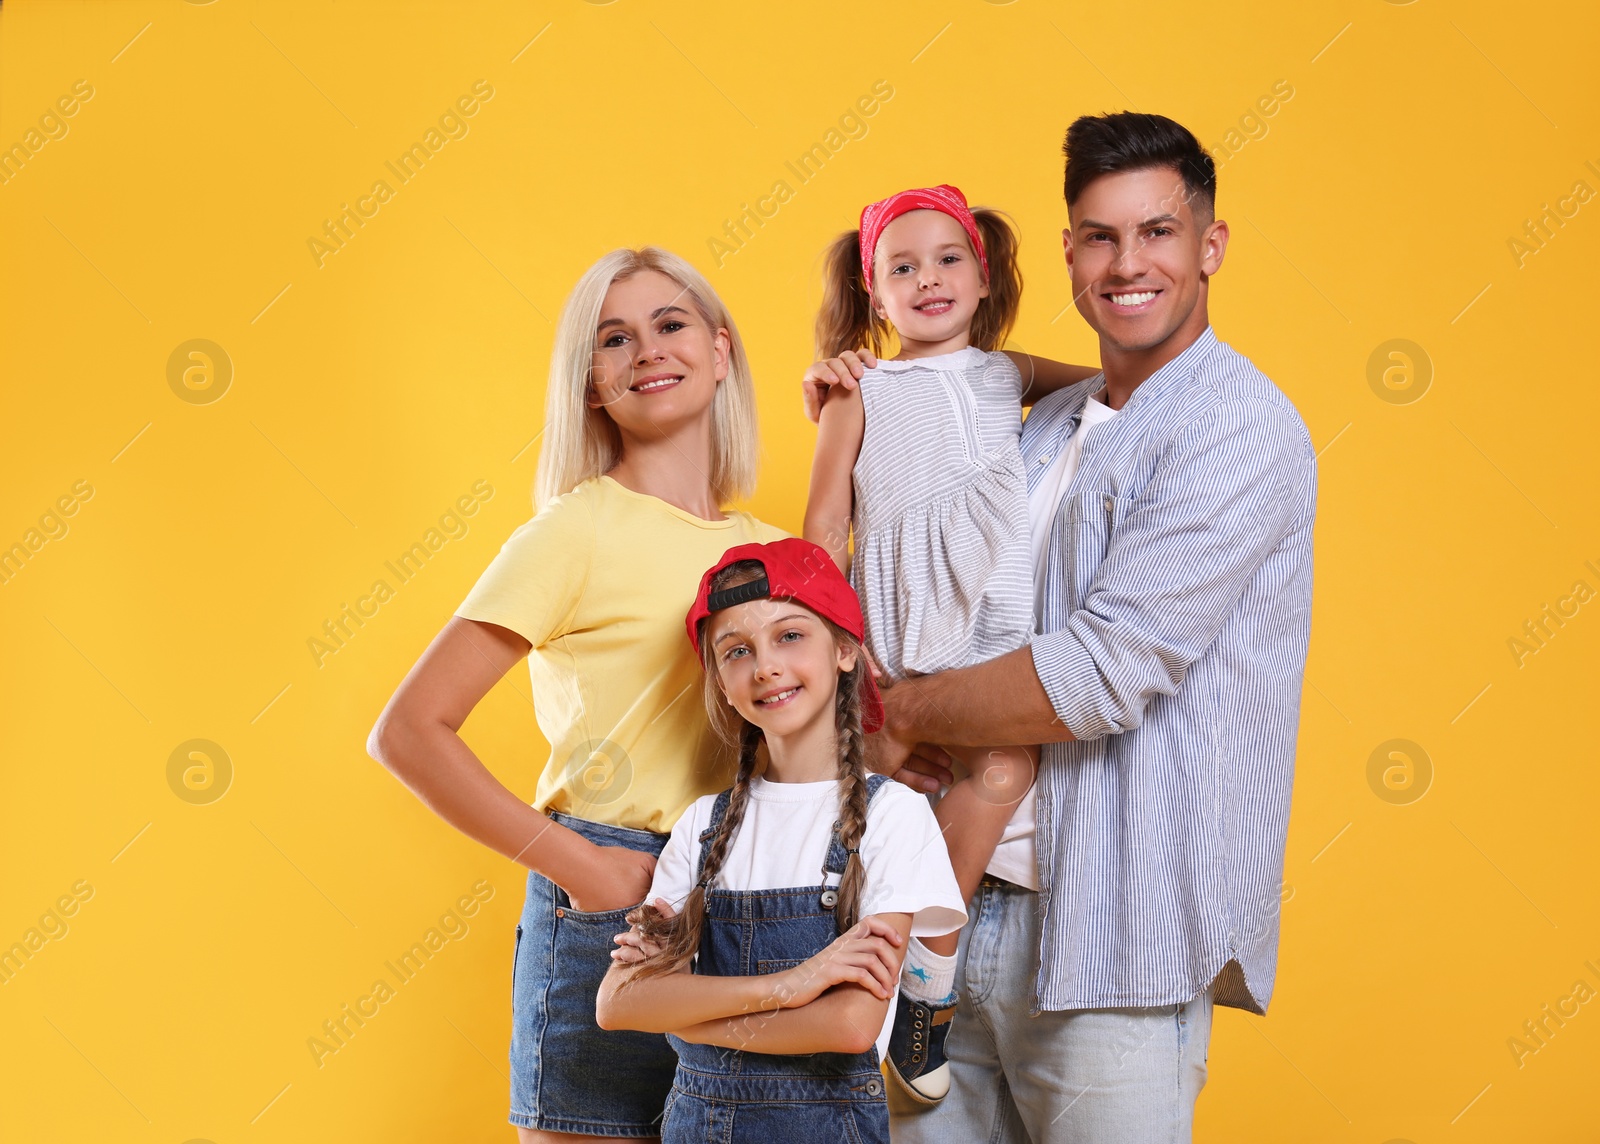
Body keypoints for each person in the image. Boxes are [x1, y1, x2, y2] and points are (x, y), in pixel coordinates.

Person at [831, 113, 1318, 1142]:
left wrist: (892, 713)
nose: (1127, 262)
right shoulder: (1046, 420)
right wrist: (864, 391)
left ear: (1210, 246)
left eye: (1158, 232)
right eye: (1100, 236)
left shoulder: (1236, 427)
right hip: (946, 907)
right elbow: (964, 407)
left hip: (1111, 936)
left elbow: (1103, 672)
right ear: (1066, 253)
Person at [366, 247, 785, 1142]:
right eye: (614, 339)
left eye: (670, 325)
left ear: (720, 353)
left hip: (748, 893)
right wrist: (586, 871)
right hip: (612, 899)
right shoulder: (575, 530)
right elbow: (409, 731)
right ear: (593, 385)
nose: (647, 351)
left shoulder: (776, 551)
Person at [800, 184, 1099, 1103]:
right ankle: (853, 973)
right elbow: (820, 531)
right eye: (902, 267)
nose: (927, 279)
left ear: (984, 275)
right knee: (874, 802)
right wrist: (841, 653)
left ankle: (928, 973)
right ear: (873, 295)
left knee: (1001, 770)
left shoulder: (1010, 373)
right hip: (898, 636)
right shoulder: (863, 393)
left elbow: (1112, 385)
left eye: (947, 260)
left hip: (995, 630)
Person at [595, 538, 966, 1144]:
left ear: (846, 650)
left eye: (789, 636)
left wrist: (688, 1018)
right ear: (720, 676)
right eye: (736, 650)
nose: (764, 666)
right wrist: (794, 985)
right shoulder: (701, 826)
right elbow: (618, 1004)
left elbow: (849, 1024)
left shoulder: (893, 816)